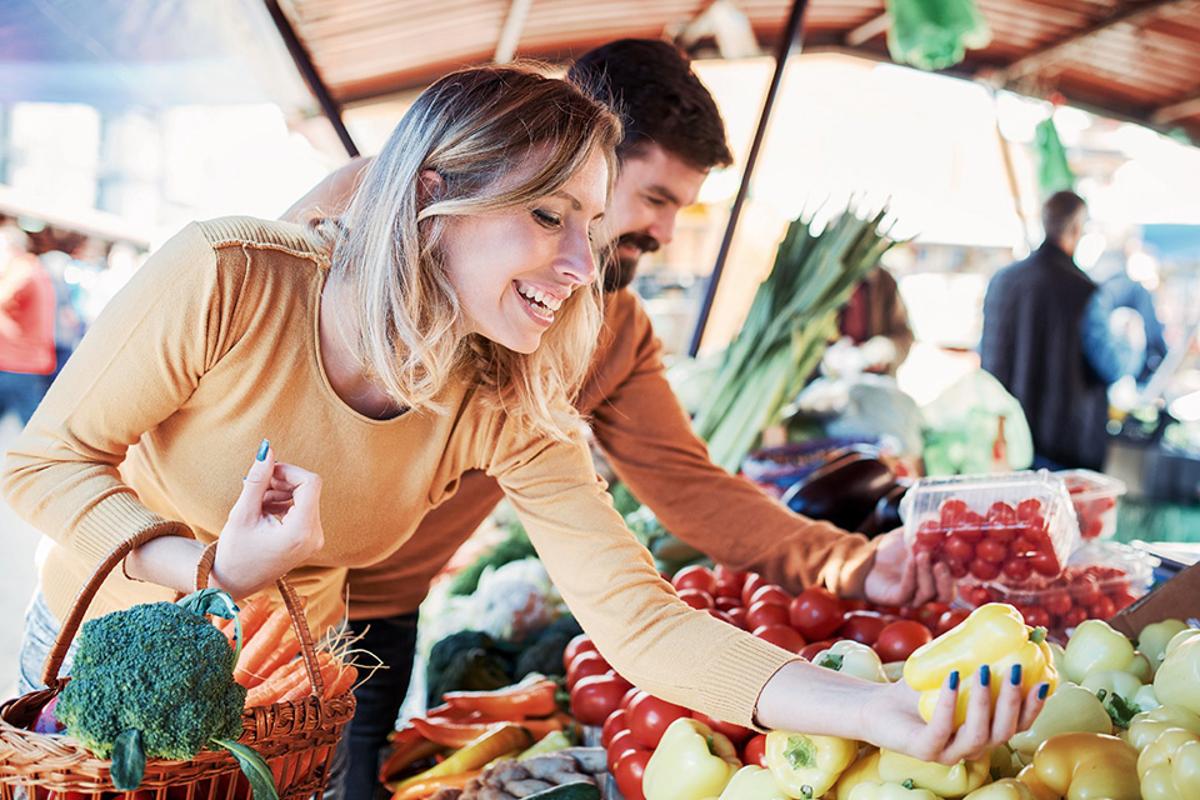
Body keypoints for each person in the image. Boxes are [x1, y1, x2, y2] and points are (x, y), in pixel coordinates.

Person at [6, 64, 1039, 797]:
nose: (584, 261)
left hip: (290, 703)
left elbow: (638, 619)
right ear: (432, 194)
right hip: (96, 660)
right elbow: (41, 458)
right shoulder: (228, 276)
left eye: (591, 222)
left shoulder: (506, 398)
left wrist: (873, 711)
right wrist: (211, 562)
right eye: (549, 215)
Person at [286, 42, 1003, 797]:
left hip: (378, 615)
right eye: (656, 199)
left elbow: (687, 489)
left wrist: (850, 564)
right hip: (252, 594)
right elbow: (245, 373)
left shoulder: (604, 334)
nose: (663, 234)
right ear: (586, 154)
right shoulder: (372, 203)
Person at [981, 191, 1109, 470]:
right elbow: (1108, 365)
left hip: (1005, 440)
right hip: (1062, 448)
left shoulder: (1002, 281)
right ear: (1077, 229)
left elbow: (988, 357)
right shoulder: (1085, 291)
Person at [0, 223, 57, 425]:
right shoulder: (35, 268)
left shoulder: (21, 269)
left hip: (16, 364)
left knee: (33, 437)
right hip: (24, 363)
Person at [835, 266, 914, 375]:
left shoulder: (883, 281)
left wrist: (884, 349)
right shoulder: (821, 275)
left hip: (870, 381)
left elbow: (904, 338)